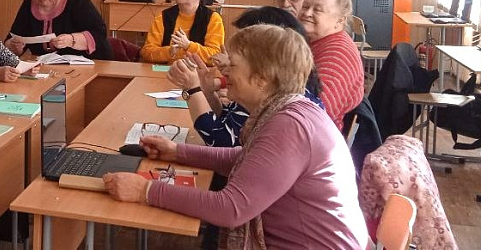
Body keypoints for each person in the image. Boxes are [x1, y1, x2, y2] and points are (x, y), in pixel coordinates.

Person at [104, 25, 369, 250]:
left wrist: (145, 190)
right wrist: (176, 152)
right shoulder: (290, 110)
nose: (225, 72)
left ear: (262, 79)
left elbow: (230, 209)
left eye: (233, 65)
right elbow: (248, 158)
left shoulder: (290, 126)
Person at [167, 6, 324, 148]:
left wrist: (193, 90)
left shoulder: (285, 112)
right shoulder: (274, 91)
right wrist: (207, 92)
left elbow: (223, 142)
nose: (227, 68)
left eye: (234, 60)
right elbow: (229, 122)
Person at [5, 0, 113, 60]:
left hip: (92, 62)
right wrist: (13, 47)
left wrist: (71, 40)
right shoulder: (28, 4)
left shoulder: (76, 0)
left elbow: (99, 32)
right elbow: (14, 37)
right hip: (46, 66)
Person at [299, 0, 364, 131]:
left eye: (317, 10)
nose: (307, 13)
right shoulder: (313, 41)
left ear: (340, 21)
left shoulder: (338, 54)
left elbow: (318, 112)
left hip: (314, 137)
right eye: (305, 6)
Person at [140, 0, 224, 64]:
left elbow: (215, 57)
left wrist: (188, 46)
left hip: (198, 71)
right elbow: (146, 52)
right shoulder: (163, 17)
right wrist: (169, 52)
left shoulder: (213, 19)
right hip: (167, 70)